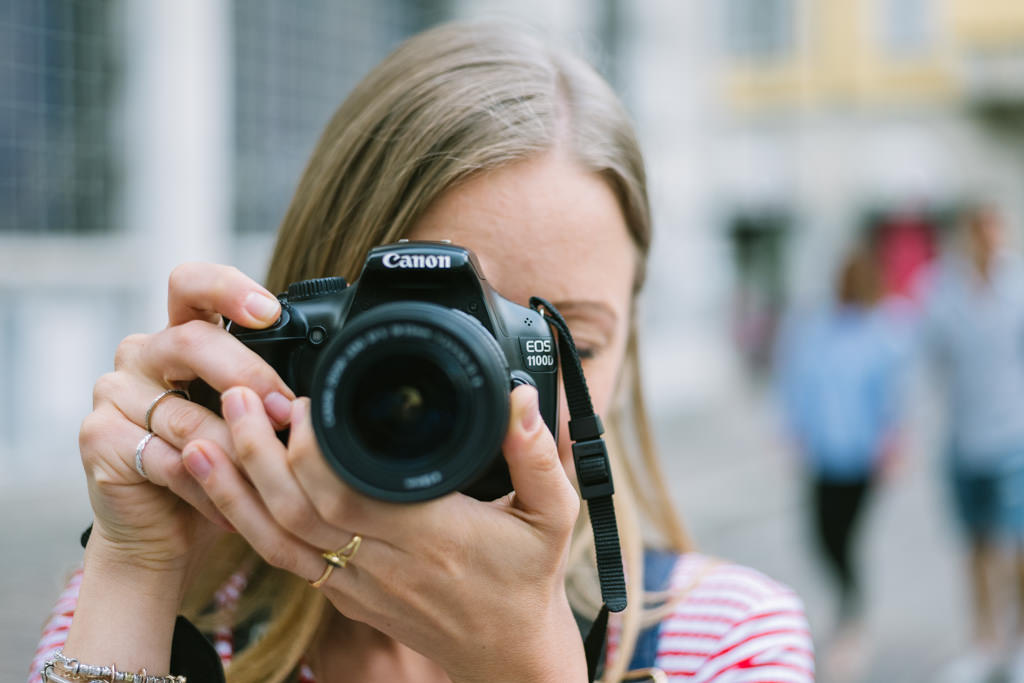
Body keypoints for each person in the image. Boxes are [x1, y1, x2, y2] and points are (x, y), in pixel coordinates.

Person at [30, 21, 813, 683]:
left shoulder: (723, 641)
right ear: (303, 339)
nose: (499, 401)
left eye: (560, 341)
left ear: (627, 354)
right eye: (430, 336)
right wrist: (139, 569)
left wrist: (527, 664)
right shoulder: (156, 600)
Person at [776, 245, 909, 680]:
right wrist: (793, 430)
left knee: (846, 540)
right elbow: (799, 381)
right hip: (824, 454)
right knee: (821, 537)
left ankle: (852, 621)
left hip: (861, 456)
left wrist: (893, 441)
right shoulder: (819, 329)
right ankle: (849, 612)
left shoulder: (882, 332)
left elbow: (892, 395)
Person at [925, 205, 1024, 683]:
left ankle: (1019, 641)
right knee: (976, 548)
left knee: (1018, 548)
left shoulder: (1018, 288)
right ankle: (984, 644)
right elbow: (934, 355)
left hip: (1014, 439)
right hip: (966, 439)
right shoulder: (946, 290)